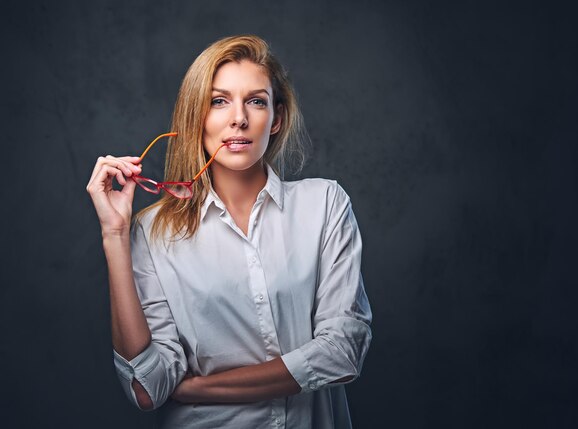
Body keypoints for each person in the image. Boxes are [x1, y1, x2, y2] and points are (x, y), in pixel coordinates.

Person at [86, 34, 372, 428]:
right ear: (196, 118)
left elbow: (342, 352)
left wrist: (199, 389)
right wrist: (114, 235)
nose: (238, 117)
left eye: (256, 101)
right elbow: (148, 387)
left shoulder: (324, 205)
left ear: (277, 119)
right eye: (219, 101)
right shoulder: (151, 233)